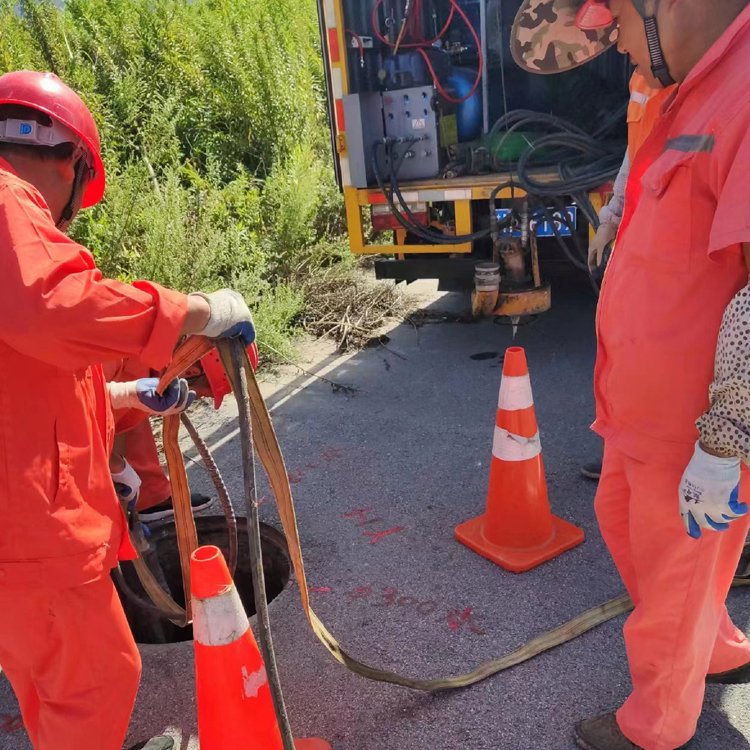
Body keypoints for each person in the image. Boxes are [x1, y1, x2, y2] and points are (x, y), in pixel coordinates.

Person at [512, 1, 750, 748]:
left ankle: (656, 726)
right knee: (641, 538)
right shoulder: (686, 80)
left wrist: (727, 434)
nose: (616, 54)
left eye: (612, 32)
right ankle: (714, 650)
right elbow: (647, 160)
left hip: (693, 422)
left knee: (672, 576)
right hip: (641, 406)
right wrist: (618, 204)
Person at [0, 70, 255, 750]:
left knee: (58, 684)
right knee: (98, 680)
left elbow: (28, 385)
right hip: (28, 542)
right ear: (71, 161)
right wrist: (201, 311)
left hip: (19, 543)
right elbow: (51, 309)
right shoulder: (3, 198)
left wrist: (131, 394)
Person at [582, 70, 675, 482]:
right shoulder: (643, 78)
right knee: (626, 351)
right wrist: (611, 218)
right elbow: (633, 156)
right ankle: (624, 450)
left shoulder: (697, 75)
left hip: (672, 241)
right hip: (642, 236)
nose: (618, 47)